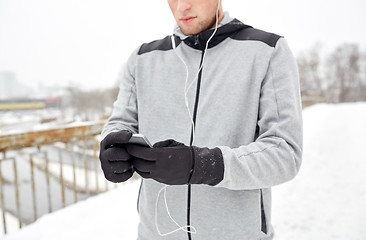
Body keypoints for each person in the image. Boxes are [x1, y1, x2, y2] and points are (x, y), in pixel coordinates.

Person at [99, 0, 303, 239]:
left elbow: (285, 153)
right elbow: (120, 122)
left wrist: (204, 165)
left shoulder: (267, 50)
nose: (182, 7)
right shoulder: (142, 58)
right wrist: (112, 145)